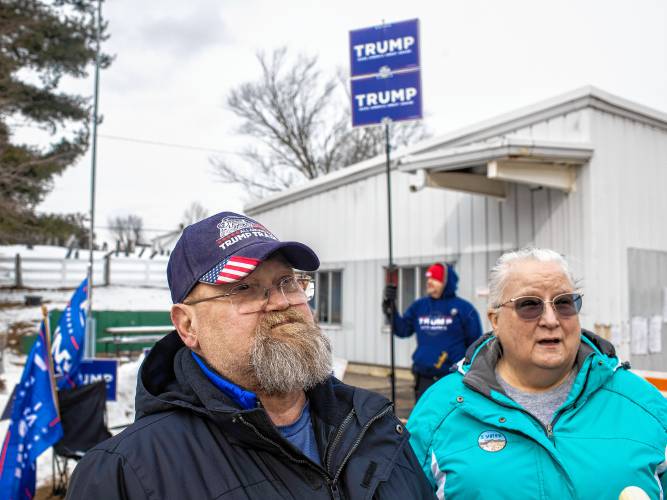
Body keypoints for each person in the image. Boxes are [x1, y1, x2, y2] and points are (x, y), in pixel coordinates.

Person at [67, 211, 434, 500]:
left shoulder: (374, 425)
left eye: (288, 282)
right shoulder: (126, 474)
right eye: (243, 288)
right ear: (187, 326)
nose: (281, 302)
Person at [407, 248, 667, 499]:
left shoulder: (645, 404)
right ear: (495, 320)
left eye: (564, 303)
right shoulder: (439, 411)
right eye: (529, 305)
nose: (551, 320)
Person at [384, 263, 483, 400]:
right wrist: (391, 309)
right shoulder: (420, 306)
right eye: (428, 278)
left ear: (446, 282)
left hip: (452, 379)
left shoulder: (464, 309)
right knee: (425, 419)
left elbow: (476, 345)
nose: (429, 282)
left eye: (435, 278)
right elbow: (403, 330)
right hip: (424, 378)